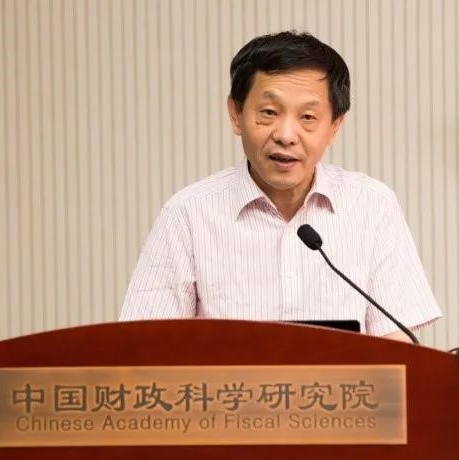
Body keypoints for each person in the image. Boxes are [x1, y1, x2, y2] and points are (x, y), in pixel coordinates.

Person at [119, 31, 441, 340]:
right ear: (236, 114)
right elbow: (145, 347)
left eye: (308, 117)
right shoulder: (188, 214)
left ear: (334, 126)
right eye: (269, 112)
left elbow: (398, 351)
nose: (286, 135)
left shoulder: (372, 206)